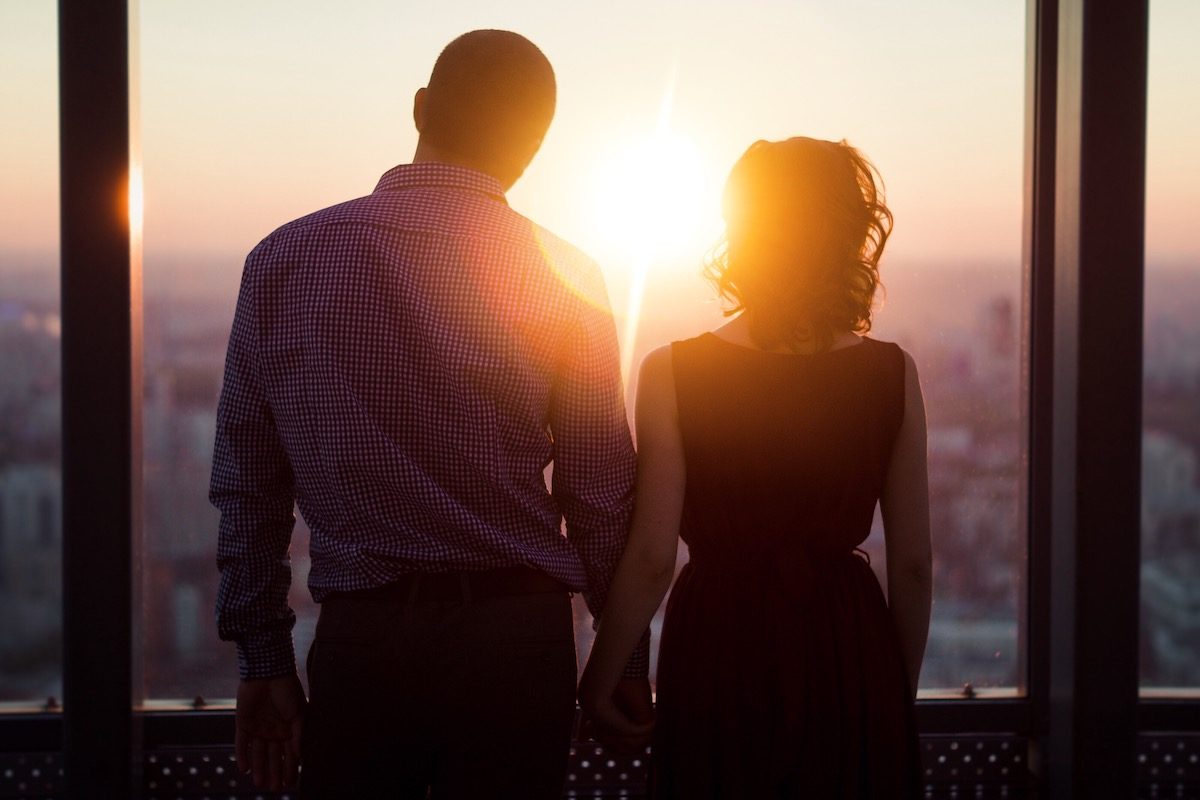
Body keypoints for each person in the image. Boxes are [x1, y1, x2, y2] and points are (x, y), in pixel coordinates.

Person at [210, 29, 650, 799]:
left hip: (364, 644)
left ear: (420, 108)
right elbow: (601, 499)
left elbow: (248, 483)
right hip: (517, 646)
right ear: (533, 146)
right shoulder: (563, 275)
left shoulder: (282, 259)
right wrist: (622, 665)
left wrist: (263, 657)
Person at [578, 137, 932, 798]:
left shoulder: (673, 370)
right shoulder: (892, 373)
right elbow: (912, 565)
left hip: (721, 638)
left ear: (741, 234)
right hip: (844, 643)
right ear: (848, 236)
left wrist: (602, 677)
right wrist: (888, 692)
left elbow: (652, 557)